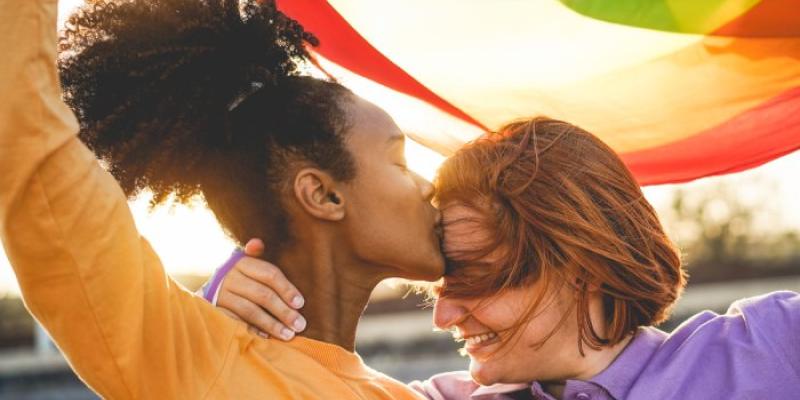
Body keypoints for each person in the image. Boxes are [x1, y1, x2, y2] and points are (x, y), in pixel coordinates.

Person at [0, 0, 449, 398]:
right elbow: (30, 143)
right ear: (323, 194)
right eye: (399, 161)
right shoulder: (191, 362)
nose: (429, 185)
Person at [208, 118, 800, 399]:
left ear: (582, 265)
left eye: (474, 278)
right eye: (443, 285)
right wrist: (227, 321)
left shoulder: (773, 344)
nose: (443, 316)